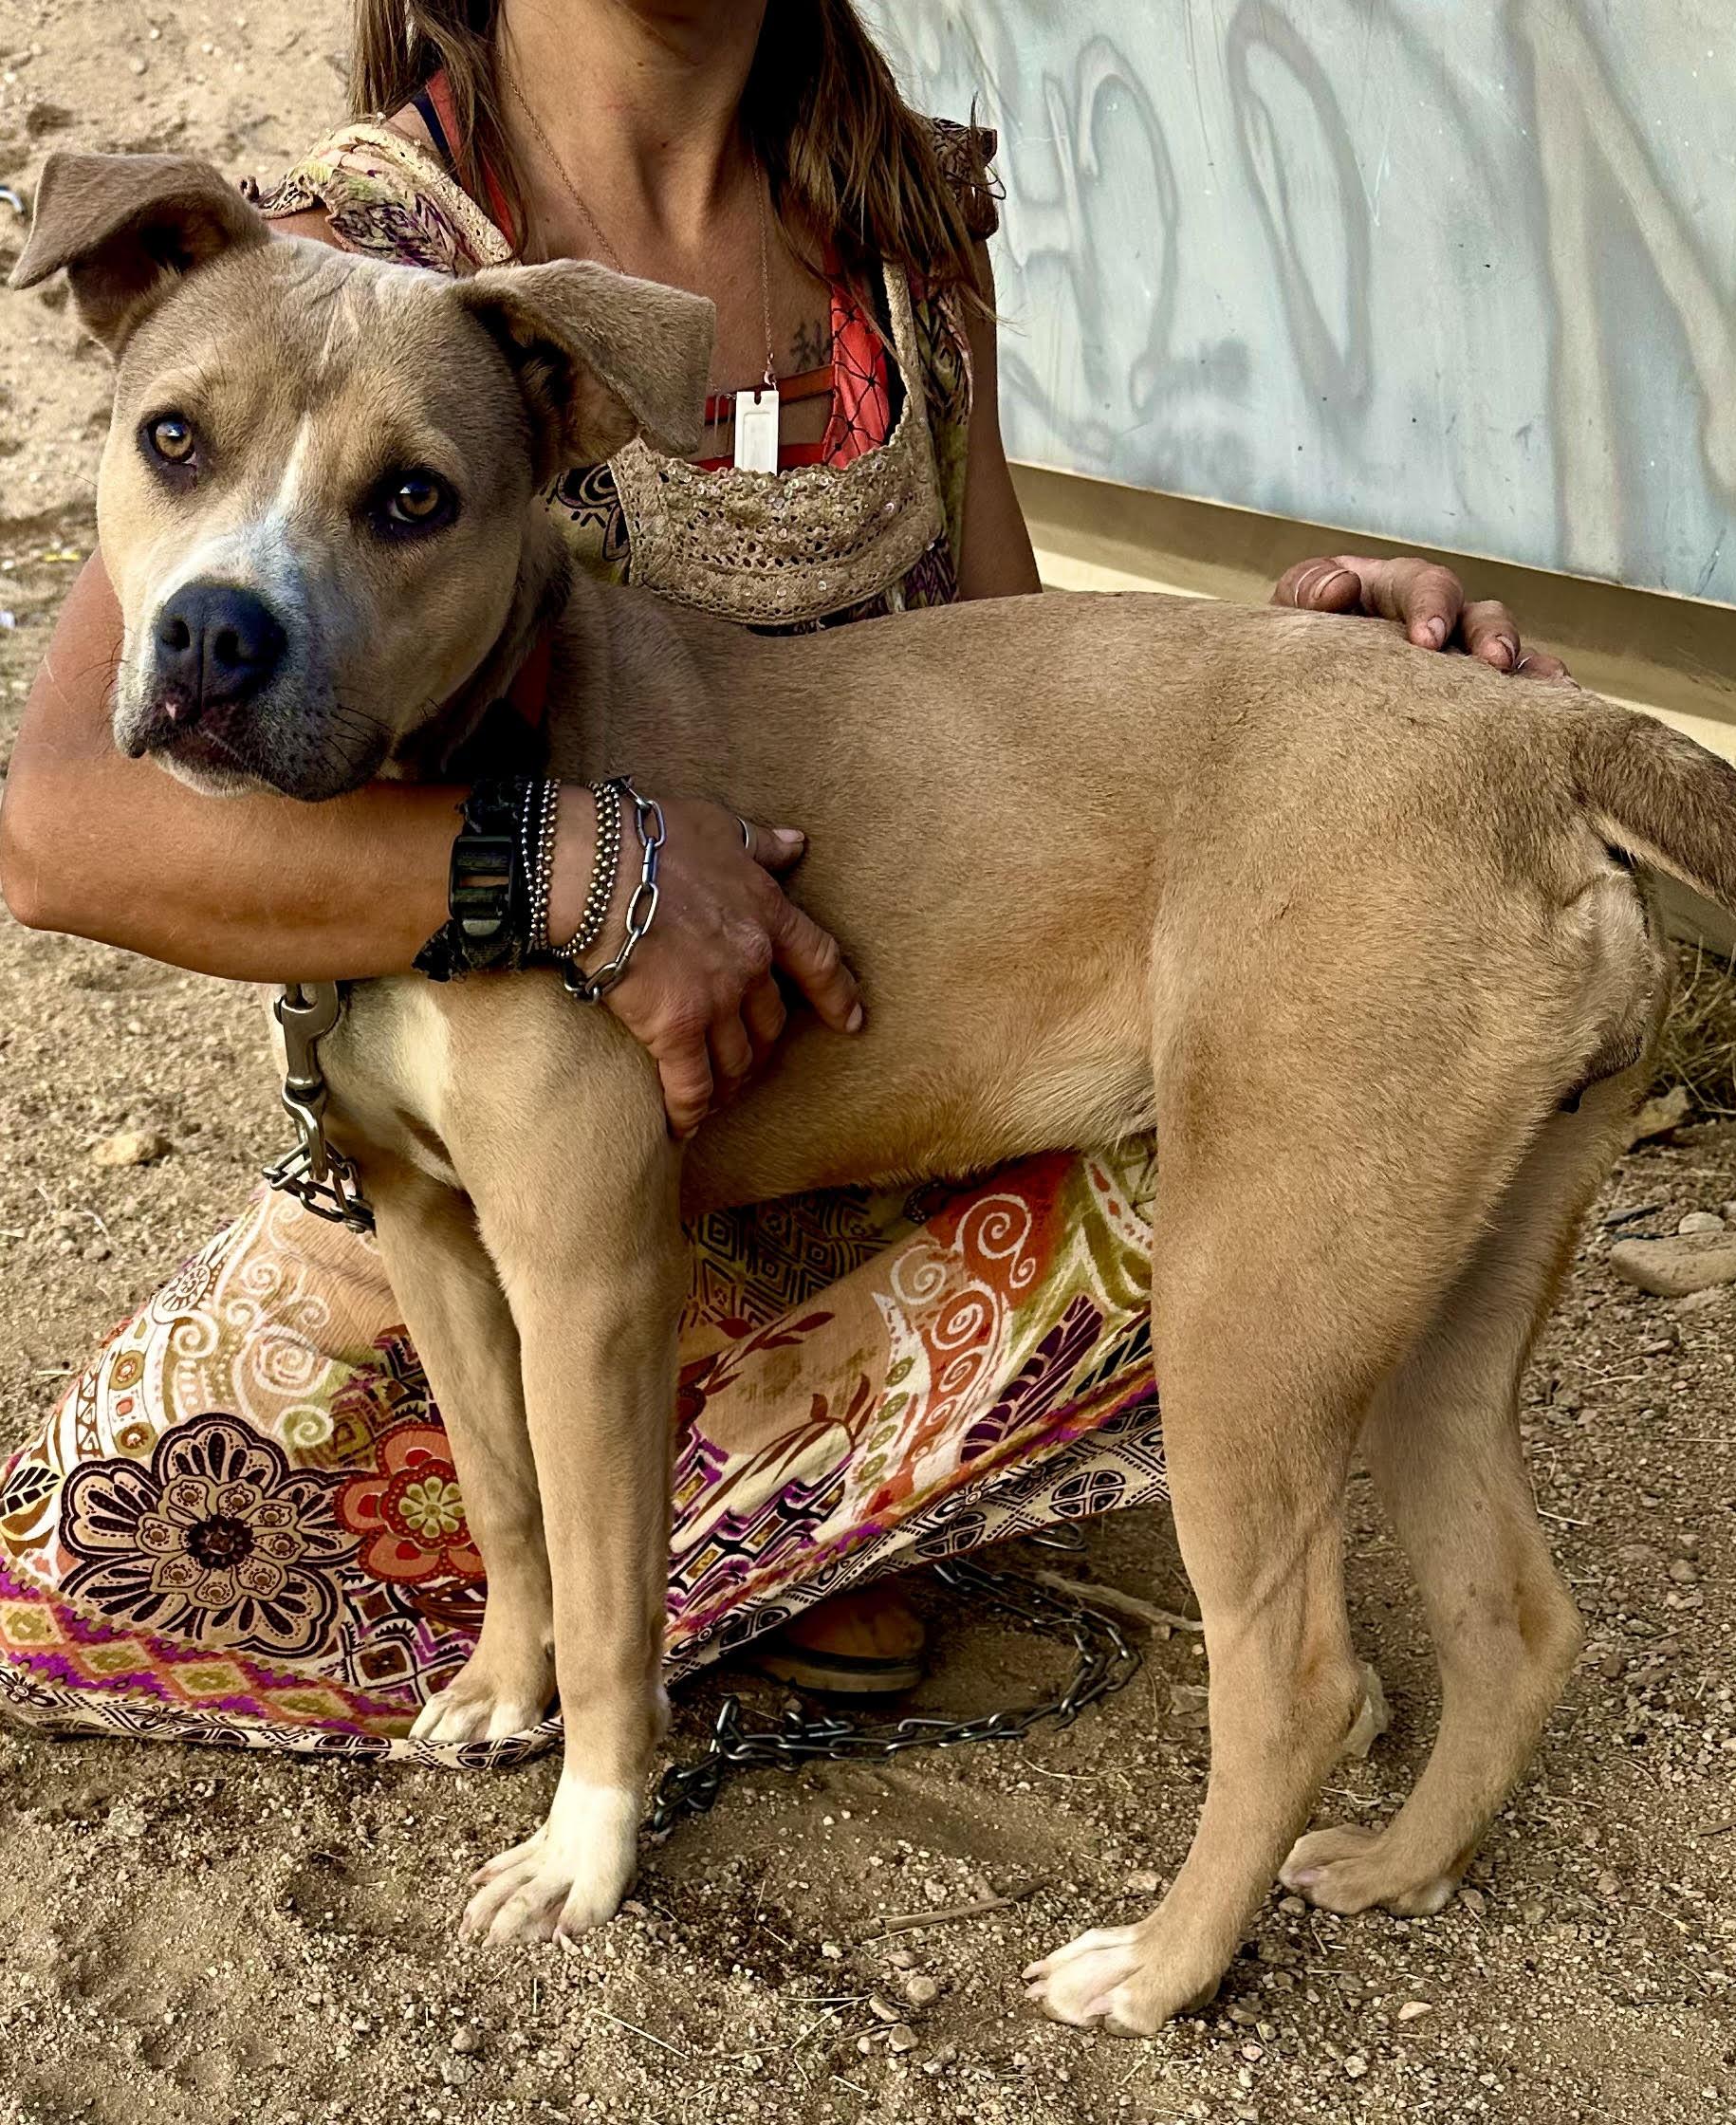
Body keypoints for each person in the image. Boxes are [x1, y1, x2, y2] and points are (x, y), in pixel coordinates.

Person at [0, 0, 1571, 1750]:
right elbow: (65, 835)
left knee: (1286, 1097)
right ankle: (760, 1544)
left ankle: (814, 1532)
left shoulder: (897, 228)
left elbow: (1015, 679)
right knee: (125, 1563)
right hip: (504, 1141)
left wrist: (1301, 700)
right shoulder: (339, 261)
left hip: (891, 1105)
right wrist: (581, 865)